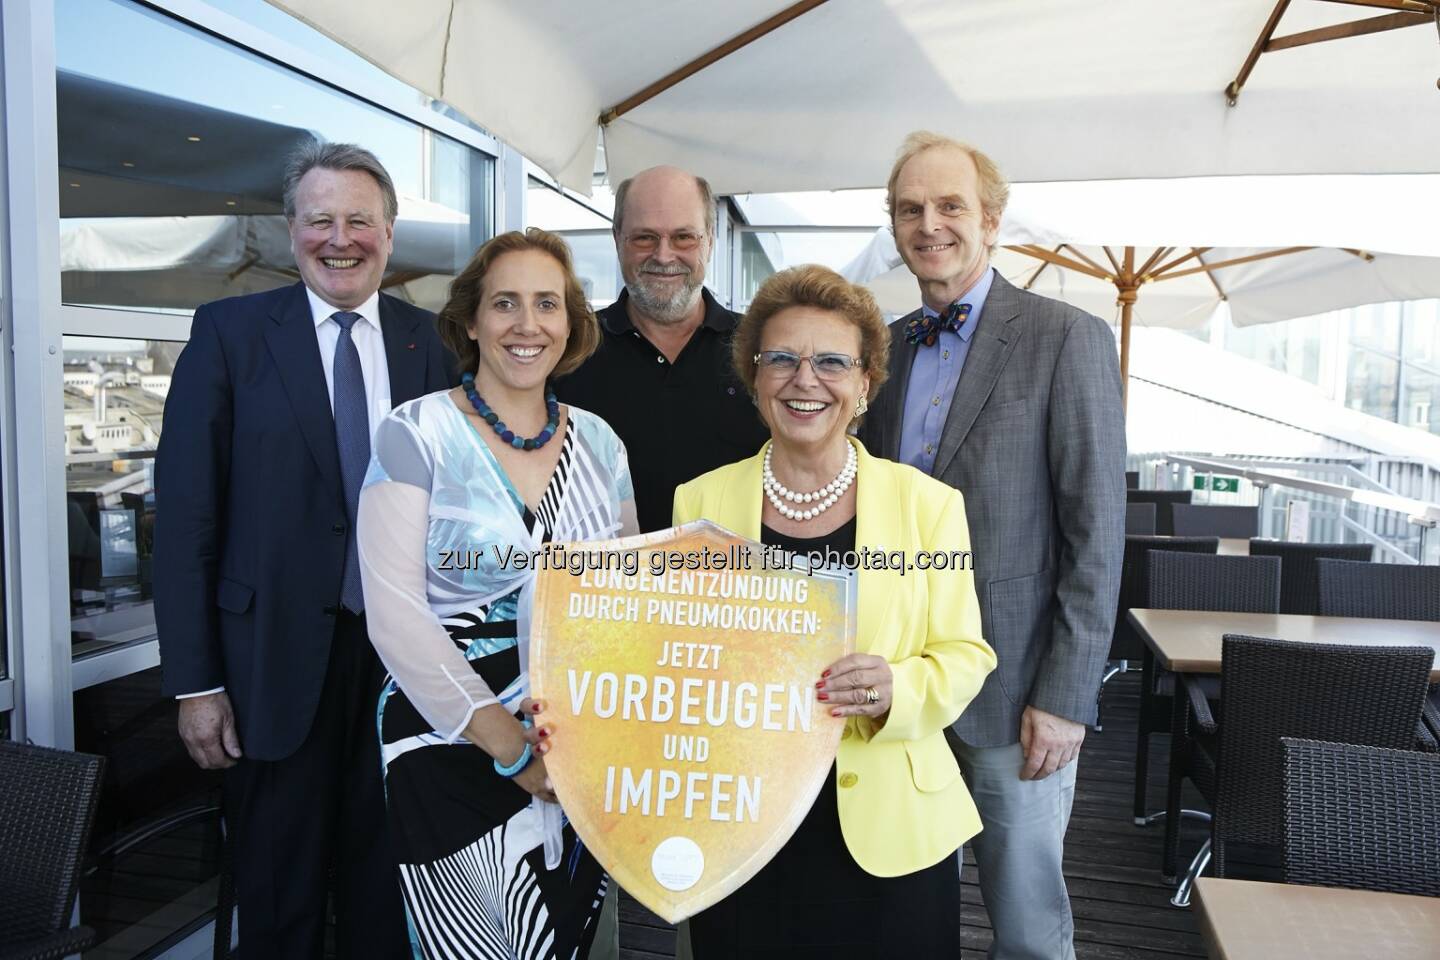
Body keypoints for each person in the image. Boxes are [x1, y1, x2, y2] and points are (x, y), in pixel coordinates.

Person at [154, 141, 453, 958]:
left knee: (388, 899)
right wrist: (196, 683)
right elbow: (184, 519)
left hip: (407, 671)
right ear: (293, 232)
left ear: (389, 235)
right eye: (320, 219)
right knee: (280, 904)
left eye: (360, 220)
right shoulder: (229, 333)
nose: (340, 238)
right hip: (267, 672)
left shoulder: (437, 345)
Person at [671, 264, 997, 957]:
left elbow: (967, 655)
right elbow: (678, 661)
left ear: (864, 384)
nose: (804, 379)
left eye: (830, 362)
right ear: (755, 377)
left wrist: (896, 689)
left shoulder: (928, 506)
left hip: (890, 833)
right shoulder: (698, 504)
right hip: (745, 828)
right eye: (781, 358)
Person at [859, 131, 1126, 960]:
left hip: (1017, 696)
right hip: (900, 687)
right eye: (910, 209)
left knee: (1027, 926)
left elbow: (1096, 531)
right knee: (906, 911)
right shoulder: (883, 347)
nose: (928, 224)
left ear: (993, 219)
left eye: (950, 206)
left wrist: (1067, 695)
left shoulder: (1066, 337)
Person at [356, 228, 639, 959]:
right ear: (471, 320)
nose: (527, 324)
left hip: (572, 740)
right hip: (448, 740)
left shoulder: (604, 447)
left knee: (566, 938)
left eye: (548, 304)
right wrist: (513, 750)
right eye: (505, 303)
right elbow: (394, 620)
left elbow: (627, 606)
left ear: (571, 323)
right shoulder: (412, 435)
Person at [554, 165, 768, 533]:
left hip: (738, 583)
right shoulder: (568, 350)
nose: (664, 255)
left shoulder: (764, 350)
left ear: (710, 240)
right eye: (644, 238)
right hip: (604, 583)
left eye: (684, 237)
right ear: (617, 238)